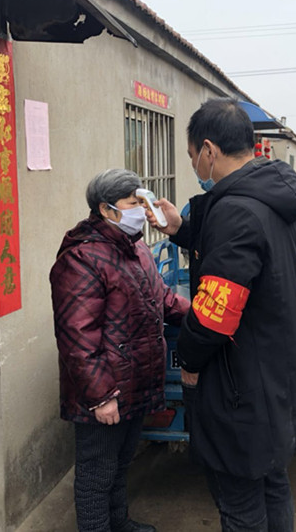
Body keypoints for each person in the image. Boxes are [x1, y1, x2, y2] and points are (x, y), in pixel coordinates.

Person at [148, 98, 296, 531]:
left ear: (208, 150)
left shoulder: (235, 210)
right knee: (272, 483)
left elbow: (215, 315)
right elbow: (241, 254)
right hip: (276, 373)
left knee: (240, 504)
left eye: (191, 156)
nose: (194, 166)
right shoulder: (273, 196)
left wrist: (189, 358)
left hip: (242, 384)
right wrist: (181, 230)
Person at [49, 168, 190, 532]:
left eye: (142, 202)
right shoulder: (81, 258)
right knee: (96, 473)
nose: (142, 211)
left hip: (134, 381)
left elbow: (161, 299)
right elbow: (78, 337)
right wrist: (101, 397)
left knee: (122, 462)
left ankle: (119, 522)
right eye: (133, 203)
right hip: (105, 391)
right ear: (106, 209)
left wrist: (201, 316)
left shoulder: (136, 248)